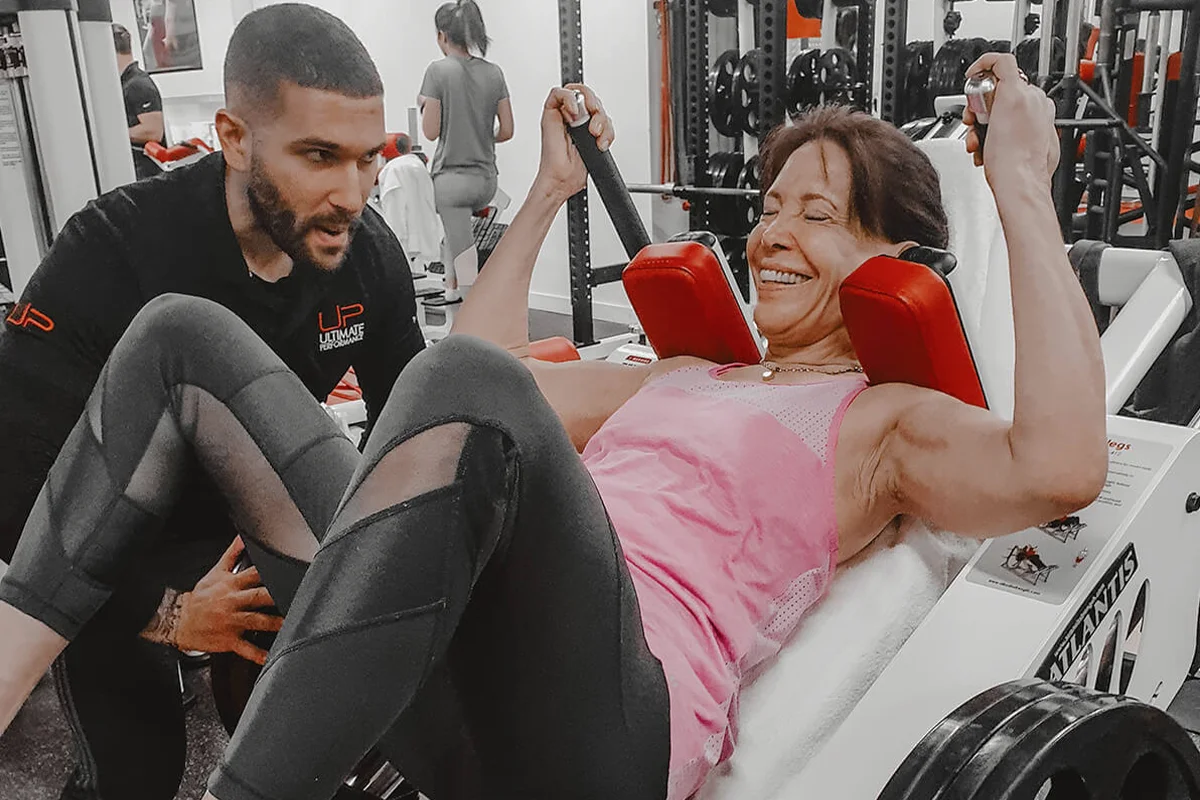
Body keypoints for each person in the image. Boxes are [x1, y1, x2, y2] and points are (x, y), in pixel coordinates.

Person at [0, 54, 1107, 800]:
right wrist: (545, 195)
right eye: (771, 206)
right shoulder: (682, 373)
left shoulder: (882, 423)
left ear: (894, 265)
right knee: (180, 336)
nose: (773, 235)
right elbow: (447, 379)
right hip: (453, 676)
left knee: (481, 391)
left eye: (819, 216)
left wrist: (1019, 180)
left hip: (605, 730)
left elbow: (1058, 465)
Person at [0, 5, 425, 799]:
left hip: (247, 530)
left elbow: (411, 434)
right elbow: (15, 487)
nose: (352, 193)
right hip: (119, 545)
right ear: (235, 139)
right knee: (136, 771)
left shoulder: (363, 255)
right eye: (319, 156)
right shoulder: (112, 251)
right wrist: (162, 612)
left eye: (369, 159)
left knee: (324, 745)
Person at [420, 0, 514, 301]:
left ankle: (471, 302)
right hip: (487, 181)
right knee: (455, 234)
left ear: (442, 36)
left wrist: (425, 105)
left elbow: (430, 132)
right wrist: (483, 137)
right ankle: (450, 287)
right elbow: (508, 131)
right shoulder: (494, 73)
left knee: (463, 247)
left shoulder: (437, 71)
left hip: (452, 183)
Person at [377, 132, 444, 274]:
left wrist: (393, 244)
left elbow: (393, 212)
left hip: (405, 243)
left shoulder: (392, 171)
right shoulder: (418, 166)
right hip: (426, 238)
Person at [113, 22, 167, 180]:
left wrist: (113, 135)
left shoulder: (138, 84)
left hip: (147, 178)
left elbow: (153, 131)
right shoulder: (123, 84)